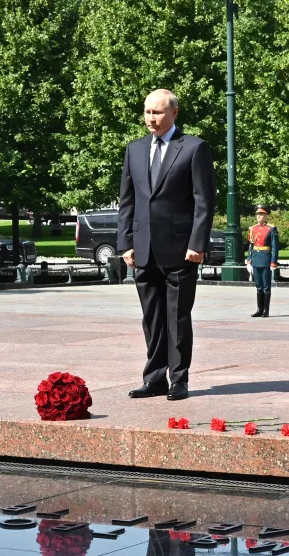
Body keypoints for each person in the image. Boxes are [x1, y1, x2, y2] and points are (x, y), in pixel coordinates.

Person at [118, 88, 215, 402]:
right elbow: (127, 201)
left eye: (157, 112)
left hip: (180, 250)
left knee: (177, 317)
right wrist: (125, 244)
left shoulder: (194, 148)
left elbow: (204, 201)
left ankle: (178, 380)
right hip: (143, 250)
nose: (151, 119)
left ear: (174, 113)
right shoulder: (134, 149)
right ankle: (154, 379)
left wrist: (197, 243)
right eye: (147, 112)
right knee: (152, 319)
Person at [245, 206, 279, 318]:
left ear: (266, 216)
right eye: (258, 214)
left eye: (262, 214)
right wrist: (249, 260)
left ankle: (266, 310)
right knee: (258, 285)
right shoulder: (253, 228)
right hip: (255, 258)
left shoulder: (271, 229)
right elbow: (251, 245)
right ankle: (259, 309)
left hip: (265, 258)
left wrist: (273, 262)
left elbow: (274, 246)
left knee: (266, 286)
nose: (259, 216)